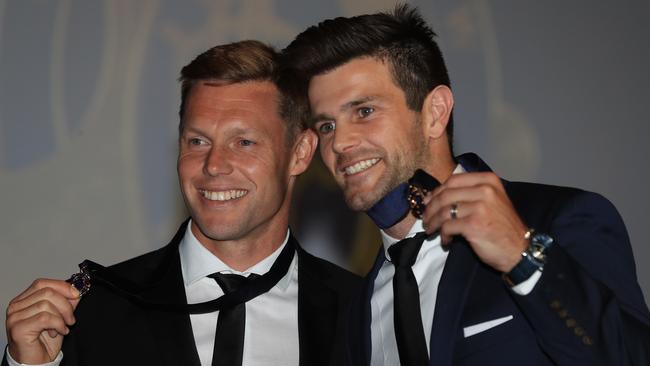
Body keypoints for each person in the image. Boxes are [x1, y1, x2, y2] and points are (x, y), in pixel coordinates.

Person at [279, 4, 650, 365]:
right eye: (326, 125)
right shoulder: (360, 309)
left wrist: (523, 258)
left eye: (364, 111)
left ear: (435, 113)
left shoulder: (559, 220)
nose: (339, 143)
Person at [4, 40, 361, 366]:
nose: (214, 165)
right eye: (197, 141)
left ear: (300, 153)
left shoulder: (363, 311)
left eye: (244, 142)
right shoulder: (91, 310)